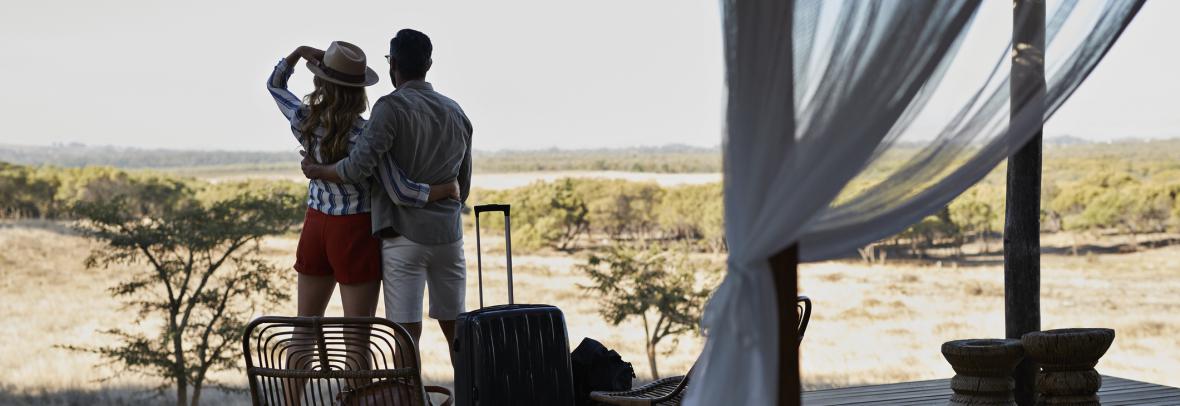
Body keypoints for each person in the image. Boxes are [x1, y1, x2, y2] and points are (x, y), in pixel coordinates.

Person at [301, 29, 473, 361]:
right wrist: (444, 196)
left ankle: (412, 398)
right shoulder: (456, 111)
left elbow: (356, 168)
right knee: (457, 333)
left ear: (392, 63)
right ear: (429, 64)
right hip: (449, 237)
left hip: (403, 236)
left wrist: (318, 170)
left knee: (406, 338)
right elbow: (462, 186)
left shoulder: (389, 108)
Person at [268, 41, 458, 322]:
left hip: (315, 224)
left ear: (320, 81)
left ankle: (297, 369)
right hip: (354, 230)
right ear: (359, 89)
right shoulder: (366, 133)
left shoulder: (303, 120)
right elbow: (401, 191)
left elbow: (276, 86)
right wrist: (446, 190)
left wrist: (297, 53)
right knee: (357, 335)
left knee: (305, 325)